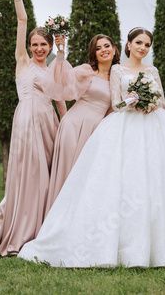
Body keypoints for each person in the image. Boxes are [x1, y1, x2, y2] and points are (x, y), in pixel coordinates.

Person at [18, 27, 165, 267]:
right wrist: (132, 101)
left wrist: (149, 102)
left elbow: (162, 101)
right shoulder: (117, 71)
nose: (143, 47)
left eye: (147, 44)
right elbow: (116, 103)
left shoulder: (152, 70)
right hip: (124, 123)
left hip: (154, 123)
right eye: (138, 43)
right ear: (129, 45)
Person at [0, 0, 66, 256]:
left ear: (50, 46)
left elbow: (61, 99)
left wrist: (66, 126)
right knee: (29, 174)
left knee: (47, 176)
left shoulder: (53, 68)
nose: (39, 48)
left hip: (49, 124)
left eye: (44, 44)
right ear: (28, 46)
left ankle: (42, 230)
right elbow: (22, 19)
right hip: (27, 121)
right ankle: (19, 229)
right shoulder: (22, 62)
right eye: (34, 44)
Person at [44, 34, 120, 213]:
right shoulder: (87, 71)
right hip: (74, 125)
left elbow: (114, 109)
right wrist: (61, 52)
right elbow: (61, 81)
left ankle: (77, 218)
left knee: (85, 175)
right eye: (98, 48)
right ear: (94, 53)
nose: (103, 50)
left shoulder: (118, 77)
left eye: (107, 46)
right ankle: (56, 217)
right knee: (68, 172)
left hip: (96, 131)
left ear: (114, 49)